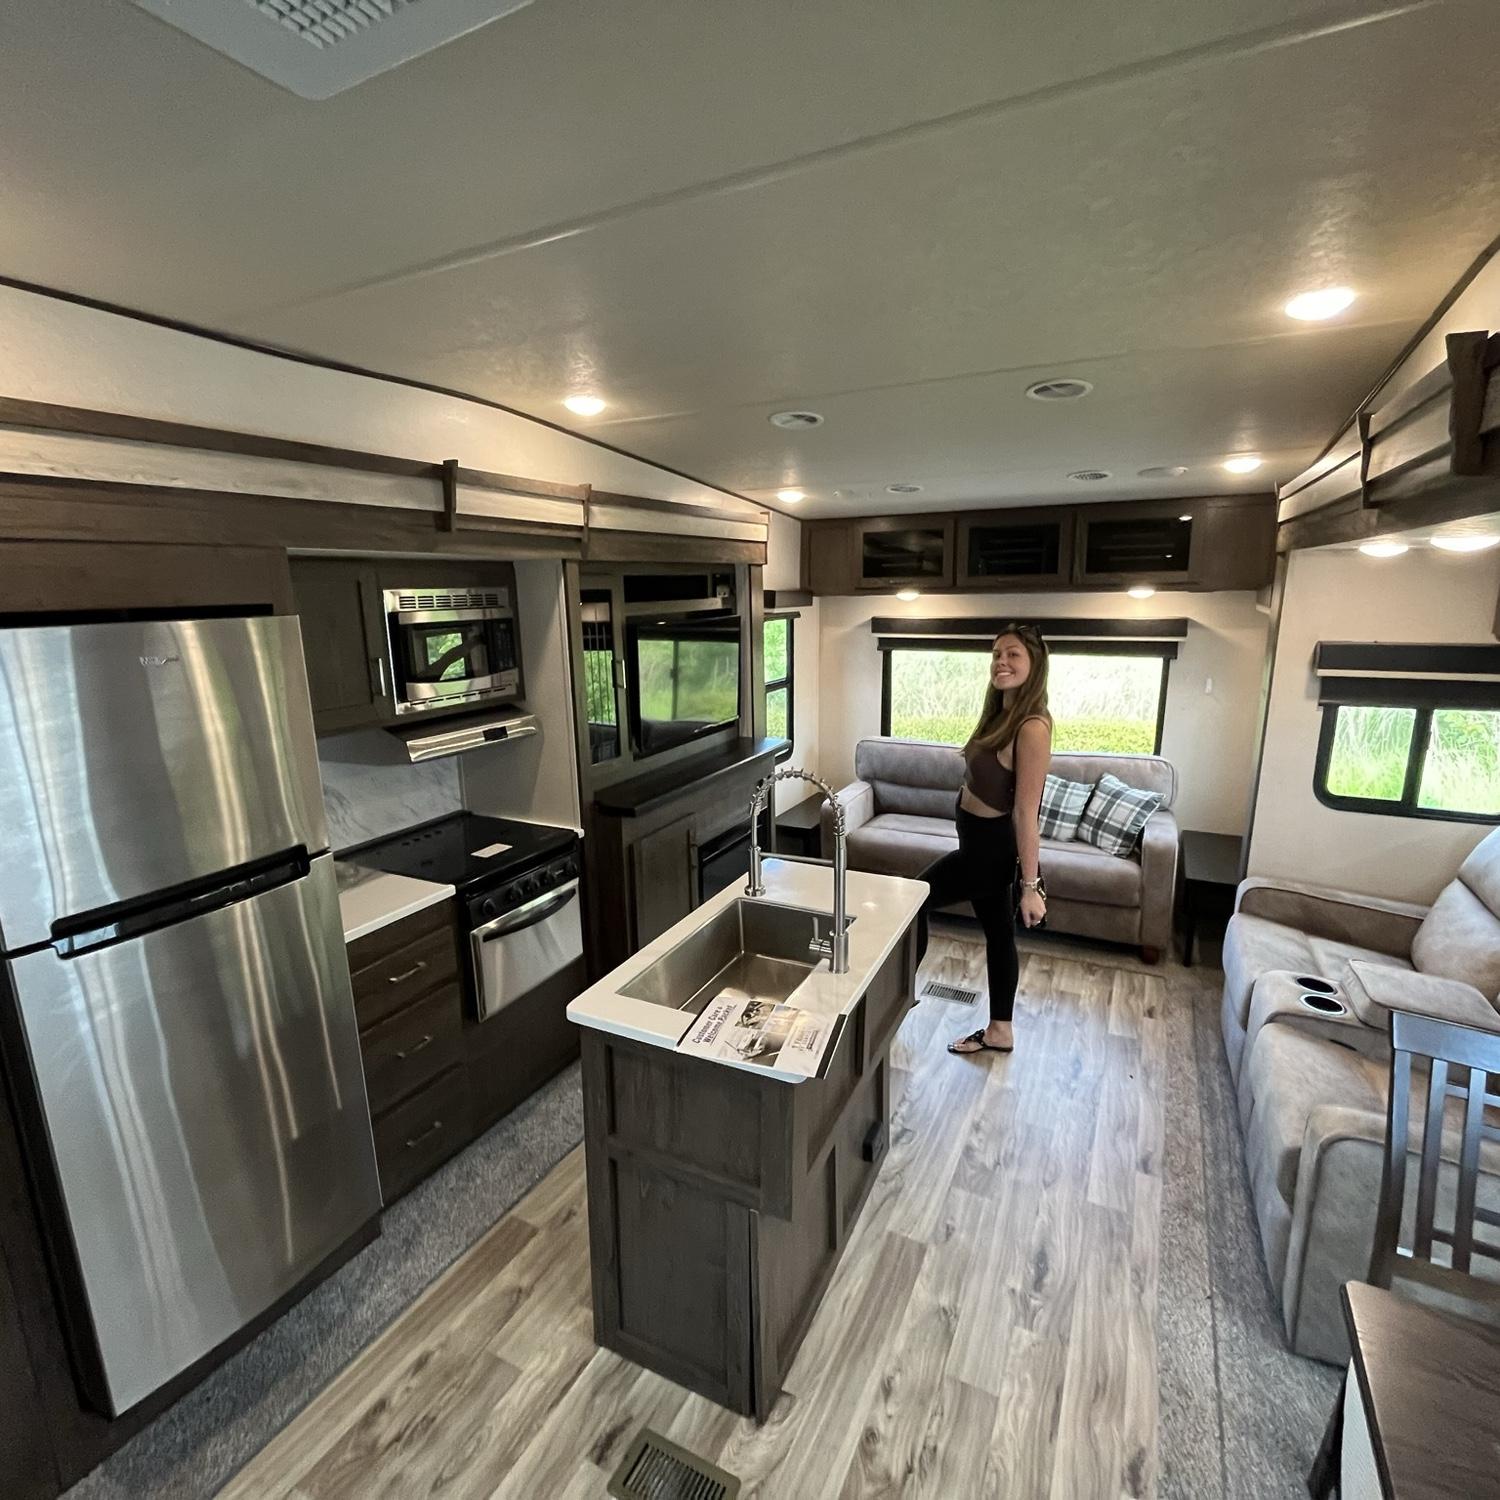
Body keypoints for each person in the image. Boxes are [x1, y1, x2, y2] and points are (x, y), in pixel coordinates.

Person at [914, 623, 1052, 1054]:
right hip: (976, 844)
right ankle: (1000, 1030)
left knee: (912, 901)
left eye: (1013, 654)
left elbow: (1026, 811)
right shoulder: (999, 713)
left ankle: (894, 998)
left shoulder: (1031, 727)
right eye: (996, 654)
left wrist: (1030, 887)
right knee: (998, 933)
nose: (1001, 662)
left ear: (1034, 665)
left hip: (989, 852)